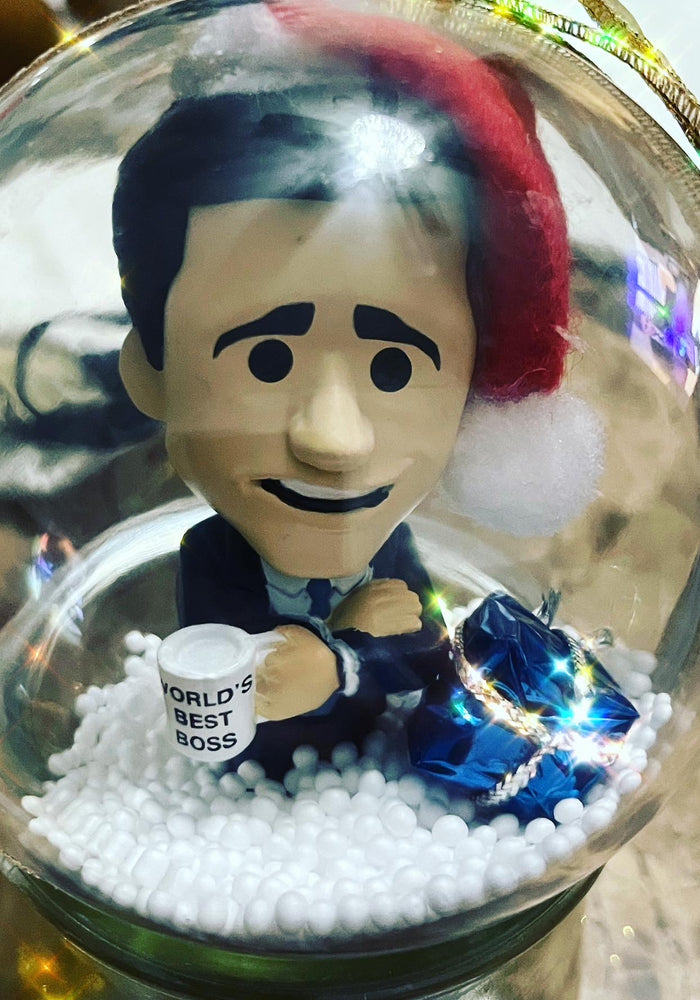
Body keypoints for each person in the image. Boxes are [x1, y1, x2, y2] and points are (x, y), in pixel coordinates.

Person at [113, 9, 569, 773]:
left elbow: (422, 652)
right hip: (251, 770)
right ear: (148, 371)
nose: (334, 439)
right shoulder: (212, 557)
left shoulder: (391, 547)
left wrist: (349, 660)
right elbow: (220, 659)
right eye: (267, 360)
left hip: (367, 762)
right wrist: (340, 649)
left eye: (392, 368)